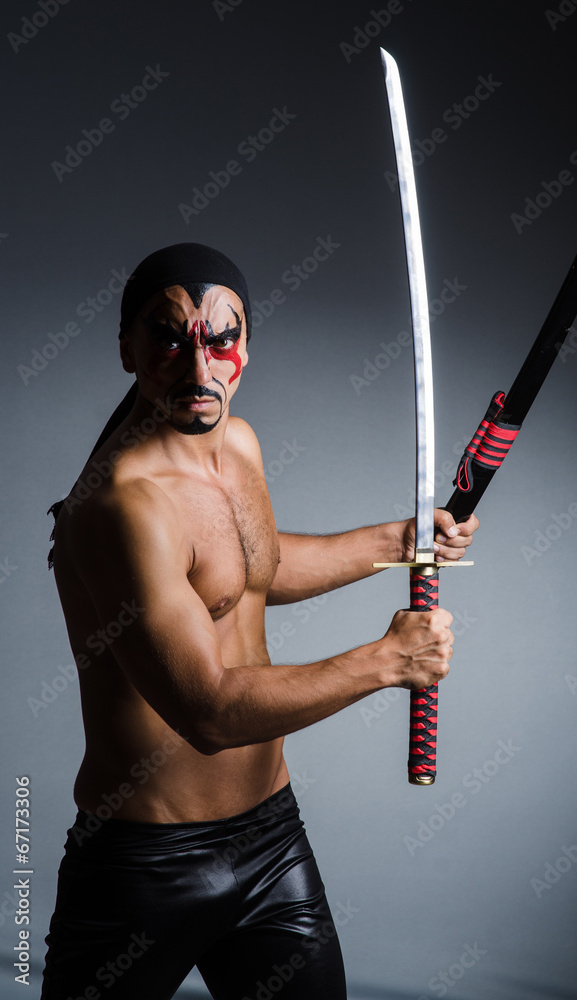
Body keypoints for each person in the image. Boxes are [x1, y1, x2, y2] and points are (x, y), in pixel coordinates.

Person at [42, 243, 478, 1000]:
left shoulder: (236, 445)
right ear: (127, 350)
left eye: (221, 339)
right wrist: (387, 662)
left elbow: (253, 573)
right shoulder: (123, 507)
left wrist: (398, 541)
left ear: (246, 348)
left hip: (272, 842)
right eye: (169, 339)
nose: (198, 366)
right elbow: (207, 712)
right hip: (146, 866)